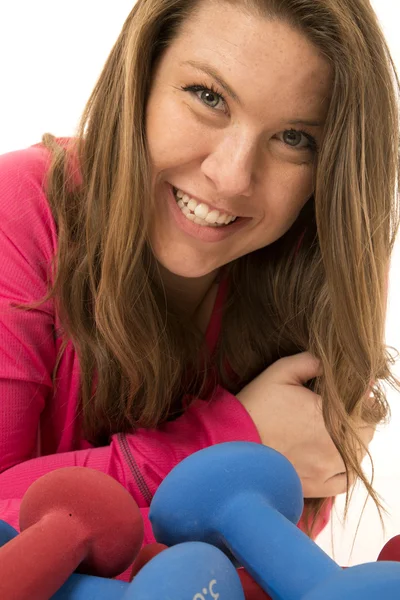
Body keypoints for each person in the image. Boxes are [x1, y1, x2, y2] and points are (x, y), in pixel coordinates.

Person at [0, 0, 399, 580]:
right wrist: (233, 439)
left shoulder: (315, 274)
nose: (232, 176)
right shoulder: (22, 213)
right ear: (138, 82)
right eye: (208, 97)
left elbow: (231, 576)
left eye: (293, 137)